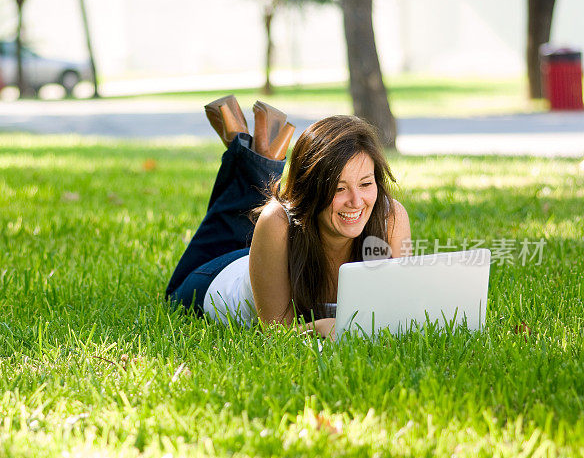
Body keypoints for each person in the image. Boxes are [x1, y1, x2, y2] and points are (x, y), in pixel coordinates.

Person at [166, 96, 412, 340]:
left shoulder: (390, 216)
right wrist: (321, 327)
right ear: (310, 189)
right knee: (224, 231)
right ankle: (245, 151)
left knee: (249, 218)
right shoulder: (277, 221)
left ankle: (252, 153)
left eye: (366, 183)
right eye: (338, 188)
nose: (356, 201)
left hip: (267, 255)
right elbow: (275, 333)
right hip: (218, 276)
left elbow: (403, 308)